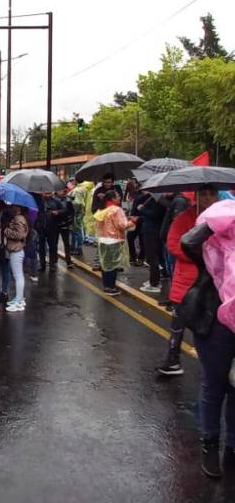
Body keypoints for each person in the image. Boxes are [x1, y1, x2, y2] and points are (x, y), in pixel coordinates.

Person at [176, 210, 235, 478]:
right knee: (215, 385)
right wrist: (218, 222)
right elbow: (187, 242)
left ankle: (232, 447)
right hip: (214, 321)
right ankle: (210, 443)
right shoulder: (214, 245)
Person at [157, 186, 219, 377]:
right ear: (197, 196)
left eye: (211, 194)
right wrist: (199, 255)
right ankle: (173, 359)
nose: (208, 198)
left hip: (214, 280)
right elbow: (173, 244)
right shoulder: (185, 217)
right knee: (178, 322)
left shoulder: (223, 218)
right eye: (203, 194)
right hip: (187, 278)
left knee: (210, 324)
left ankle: (213, 366)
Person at [93, 190, 135, 296]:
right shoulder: (116, 209)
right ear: (112, 199)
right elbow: (122, 225)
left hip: (102, 240)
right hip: (114, 240)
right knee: (113, 265)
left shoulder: (101, 209)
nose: (120, 197)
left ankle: (106, 285)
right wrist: (133, 221)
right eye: (117, 196)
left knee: (105, 264)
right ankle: (111, 287)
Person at [91, 174, 124, 270]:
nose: (107, 184)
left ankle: (116, 263)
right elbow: (94, 208)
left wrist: (105, 197)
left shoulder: (117, 189)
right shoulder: (98, 191)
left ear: (113, 182)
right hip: (103, 221)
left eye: (109, 182)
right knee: (102, 243)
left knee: (116, 243)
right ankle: (98, 263)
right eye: (105, 182)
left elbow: (119, 201)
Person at [136, 190, 166, 294]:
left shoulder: (159, 200)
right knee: (152, 257)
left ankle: (154, 283)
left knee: (152, 257)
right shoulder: (152, 198)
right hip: (150, 229)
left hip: (152, 231)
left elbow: (155, 214)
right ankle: (153, 280)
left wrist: (142, 209)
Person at [3, 205, 30, 312]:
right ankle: (19, 298)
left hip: (16, 249)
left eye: (14, 205)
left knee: (18, 276)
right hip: (16, 249)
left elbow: (19, 235)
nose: (11, 207)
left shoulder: (19, 218)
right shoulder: (20, 218)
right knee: (18, 276)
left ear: (19, 207)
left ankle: (19, 301)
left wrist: (6, 230)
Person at [37, 191, 64, 272]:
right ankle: (42, 265)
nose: (47, 195)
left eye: (49, 193)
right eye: (46, 193)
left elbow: (64, 210)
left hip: (52, 227)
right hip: (41, 227)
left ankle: (52, 264)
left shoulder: (56, 201)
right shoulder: (39, 201)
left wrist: (58, 212)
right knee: (41, 247)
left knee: (52, 247)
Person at [54, 188, 75, 268]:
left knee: (67, 244)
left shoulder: (68, 200)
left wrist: (70, 221)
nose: (61, 191)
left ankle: (68, 261)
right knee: (54, 244)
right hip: (55, 224)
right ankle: (54, 260)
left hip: (65, 224)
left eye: (62, 190)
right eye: (59, 190)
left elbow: (72, 212)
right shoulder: (53, 200)